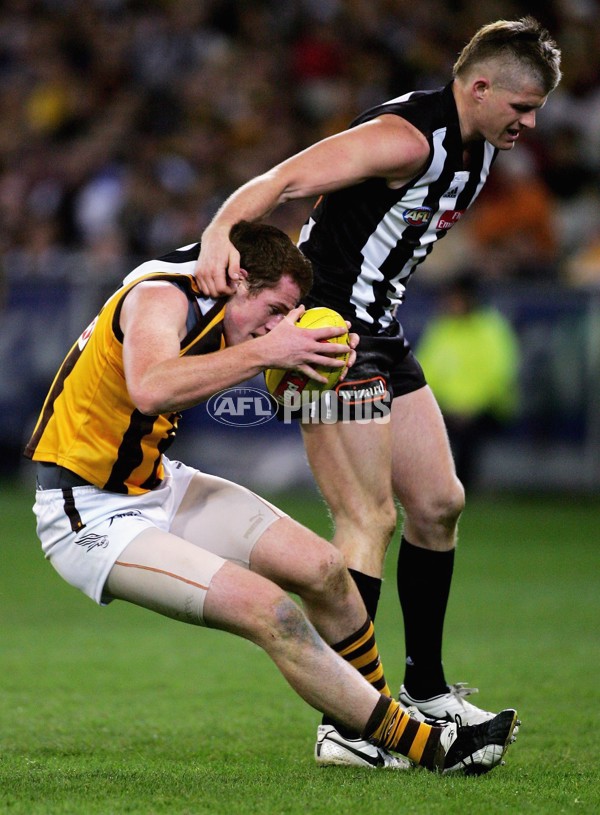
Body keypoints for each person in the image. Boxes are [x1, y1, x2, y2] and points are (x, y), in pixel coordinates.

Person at [194, 17, 561, 766]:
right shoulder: (409, 137)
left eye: (537, 111)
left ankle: (424, 689)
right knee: (367, 516)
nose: (529, 123)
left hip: (378, 330)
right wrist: (219, 232)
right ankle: (351, 722)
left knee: (439, 504)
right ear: (478, 86)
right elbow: (288, 178)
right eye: (521, 107)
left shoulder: (481, 145)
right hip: (326, 331)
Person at [24, 220, 519, 774]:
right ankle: (431, 748)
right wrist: (273, 350)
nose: (281, 325)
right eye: (276, 309)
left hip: (159, 482)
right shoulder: (162, 297)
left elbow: (252, 228)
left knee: (325, 568)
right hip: (86, 511)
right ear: (238, 281)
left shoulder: (232, 287)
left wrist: (314, 358)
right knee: (273, 614)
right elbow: (152, 385)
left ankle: (364, 732)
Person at [416, 272, 521, 490]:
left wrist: (470, 408)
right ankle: (428, 486)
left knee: (468, 434)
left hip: (486, 409)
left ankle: (463, 488)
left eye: (454, 297)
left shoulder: (490, 329)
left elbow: (498, 374)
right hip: (447, 406)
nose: (448, 303)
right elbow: (424, 370)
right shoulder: (442, 328)